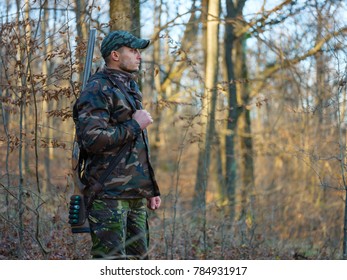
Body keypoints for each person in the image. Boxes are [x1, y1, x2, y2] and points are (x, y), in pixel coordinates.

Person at [73, 30, 161, 259]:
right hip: (108, 195)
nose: (138, 56)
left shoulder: (130, 88)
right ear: (115, 55)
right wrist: (134, 125)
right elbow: (92, 139)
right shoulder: (97, 89)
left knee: (139, 262)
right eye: (133, 51)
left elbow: (136, 147)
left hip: (134, 195)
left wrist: (149, 188)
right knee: (111, 264)